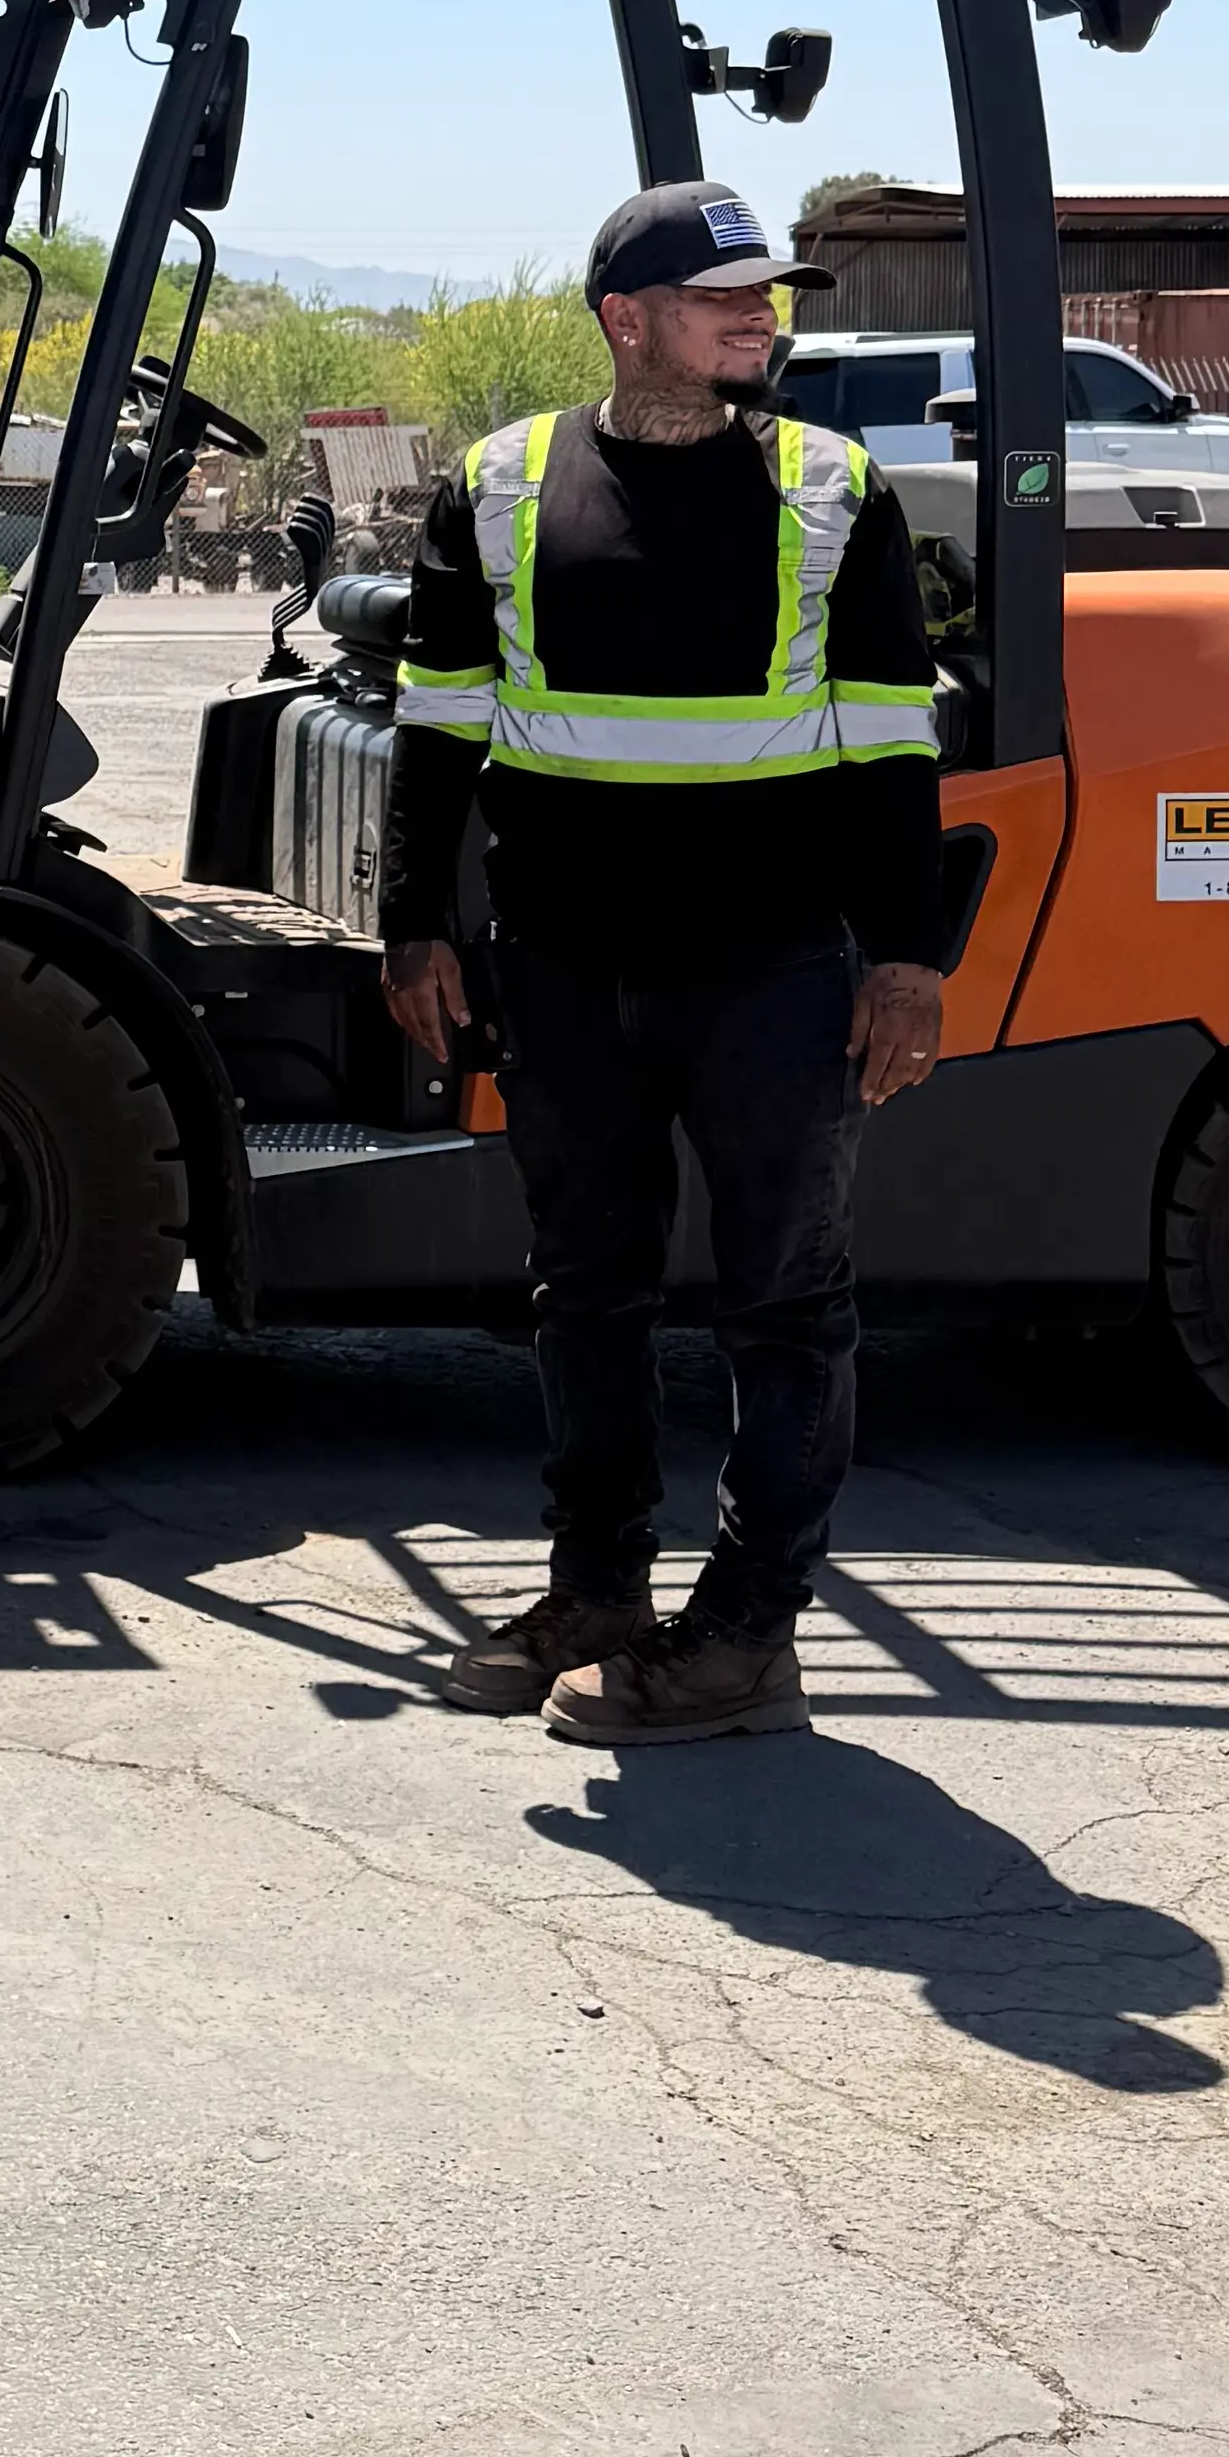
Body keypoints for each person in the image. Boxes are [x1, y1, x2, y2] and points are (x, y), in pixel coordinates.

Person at [379, 182, 949, 1746]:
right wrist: (412, 919)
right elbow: (438, 726)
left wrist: (909, 959)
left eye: (771, 297)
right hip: (564, 973)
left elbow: (900, 747)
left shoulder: (836, 490)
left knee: (786, 1305)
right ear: (628, 320)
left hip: (773, 976)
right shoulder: (497, 487)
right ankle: (600, 1587)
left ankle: (754, 1630)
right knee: (584, 1294)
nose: (761, 319)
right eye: (726, 299)